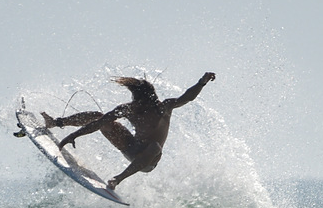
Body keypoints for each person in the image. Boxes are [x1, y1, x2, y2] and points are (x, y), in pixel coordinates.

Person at [40, 72, 216, 189]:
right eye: (133, 100)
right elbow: (100, 122)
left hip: (149, 160)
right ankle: (55, 122)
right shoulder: (128, 109)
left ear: (148, 100)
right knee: (97, 116)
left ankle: (117, 179)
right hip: (130, 148)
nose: (134, 103)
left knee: (155, 146)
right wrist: (73, 134)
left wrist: (202, 82)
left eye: (137, 100)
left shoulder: (164, 108)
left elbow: (187, 97)